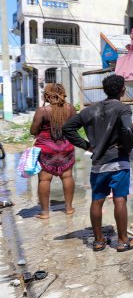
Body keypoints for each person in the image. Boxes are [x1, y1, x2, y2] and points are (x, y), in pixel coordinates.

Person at [63, 74, 133, 252]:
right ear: (122, 90)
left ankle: (99, 241)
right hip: (118, 162)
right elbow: (127, 129)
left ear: (104, 90)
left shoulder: (89, 110)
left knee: (97, 200)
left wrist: (88, 146)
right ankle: (123, 241)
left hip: (98, 164)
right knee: (120, 199)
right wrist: (128, 147)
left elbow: (67, 128)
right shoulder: (123, 108)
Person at [30, 83, 77, 219]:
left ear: (47, 96)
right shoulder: (70, 108)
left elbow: (33, 130)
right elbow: (75, 127)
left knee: (44, 179)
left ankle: (45, 212)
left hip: (46, 148)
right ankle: (68, 208)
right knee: (67, 176)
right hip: (66, 146)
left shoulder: (43, 111)